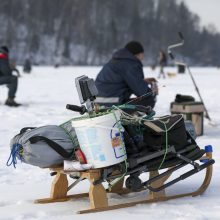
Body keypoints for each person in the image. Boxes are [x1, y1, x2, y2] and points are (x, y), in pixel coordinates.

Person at [95, 41, 158, 109]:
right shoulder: (130, 64)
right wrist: (152, 92)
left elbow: (123, 83)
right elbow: (141, 91)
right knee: (149, 99)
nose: (143, 58)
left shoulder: (117, 61)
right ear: (138, 54)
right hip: (112, 104)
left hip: (98, 103)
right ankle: (131, 116)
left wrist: (143, 82)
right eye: (143, 54)